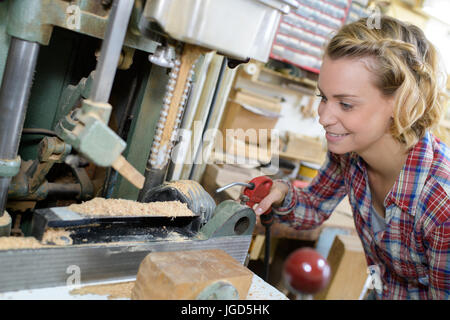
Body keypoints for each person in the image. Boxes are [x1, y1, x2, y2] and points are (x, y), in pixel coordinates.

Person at [253, 16, 449, 299]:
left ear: (402, 103)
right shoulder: (350, 153)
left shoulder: (441, 207)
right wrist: (282, 192)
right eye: (323, 97)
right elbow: (315, 207)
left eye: (345, 104)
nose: (324, 117)